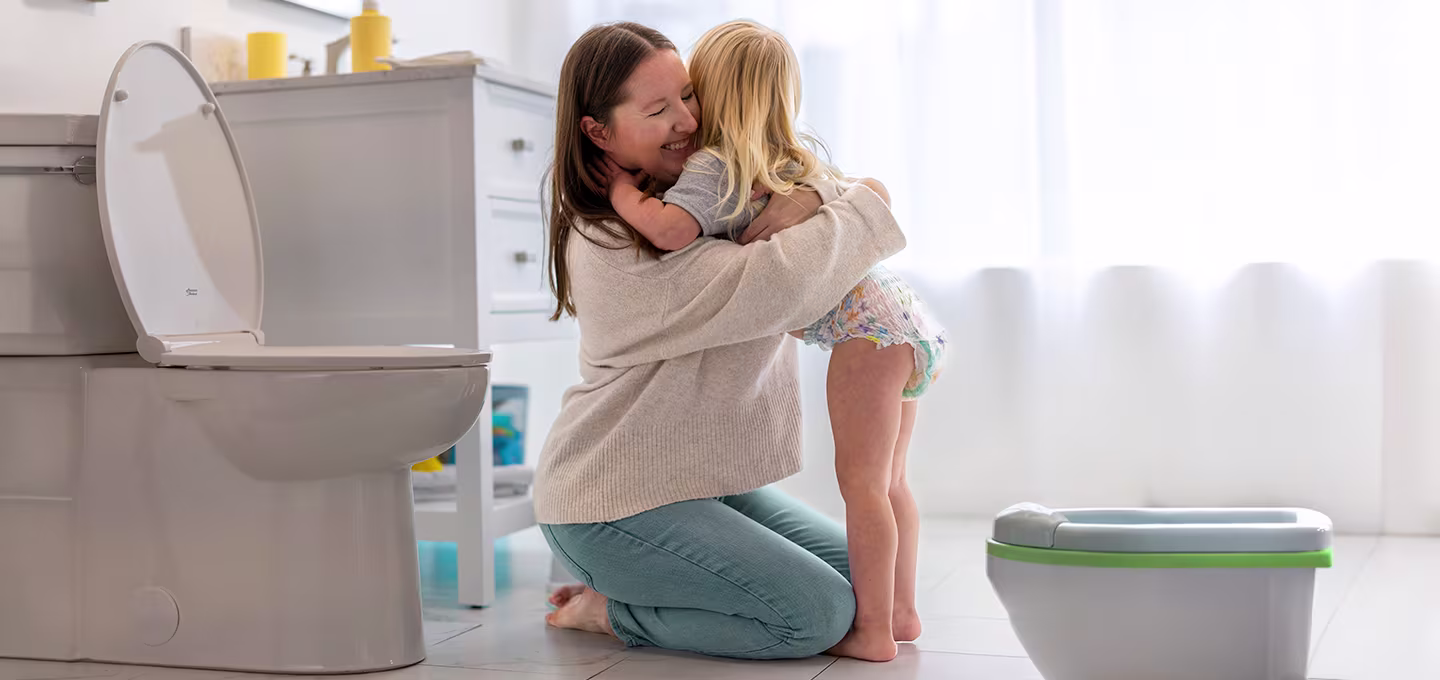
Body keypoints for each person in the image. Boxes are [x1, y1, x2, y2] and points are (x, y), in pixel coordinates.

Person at [534, 21, 905, 661]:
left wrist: (813, 192)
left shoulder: (710, 188)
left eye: (688, 94)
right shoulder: (609, 244)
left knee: (872, 579)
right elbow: (779, 281)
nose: (687, 120)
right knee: (814, 617)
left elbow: (816, 182)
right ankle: (610, 612)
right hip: (610, 499)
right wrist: (860, 197)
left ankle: (666, 588)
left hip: (698, 481)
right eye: (657, 110)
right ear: (598, 132)